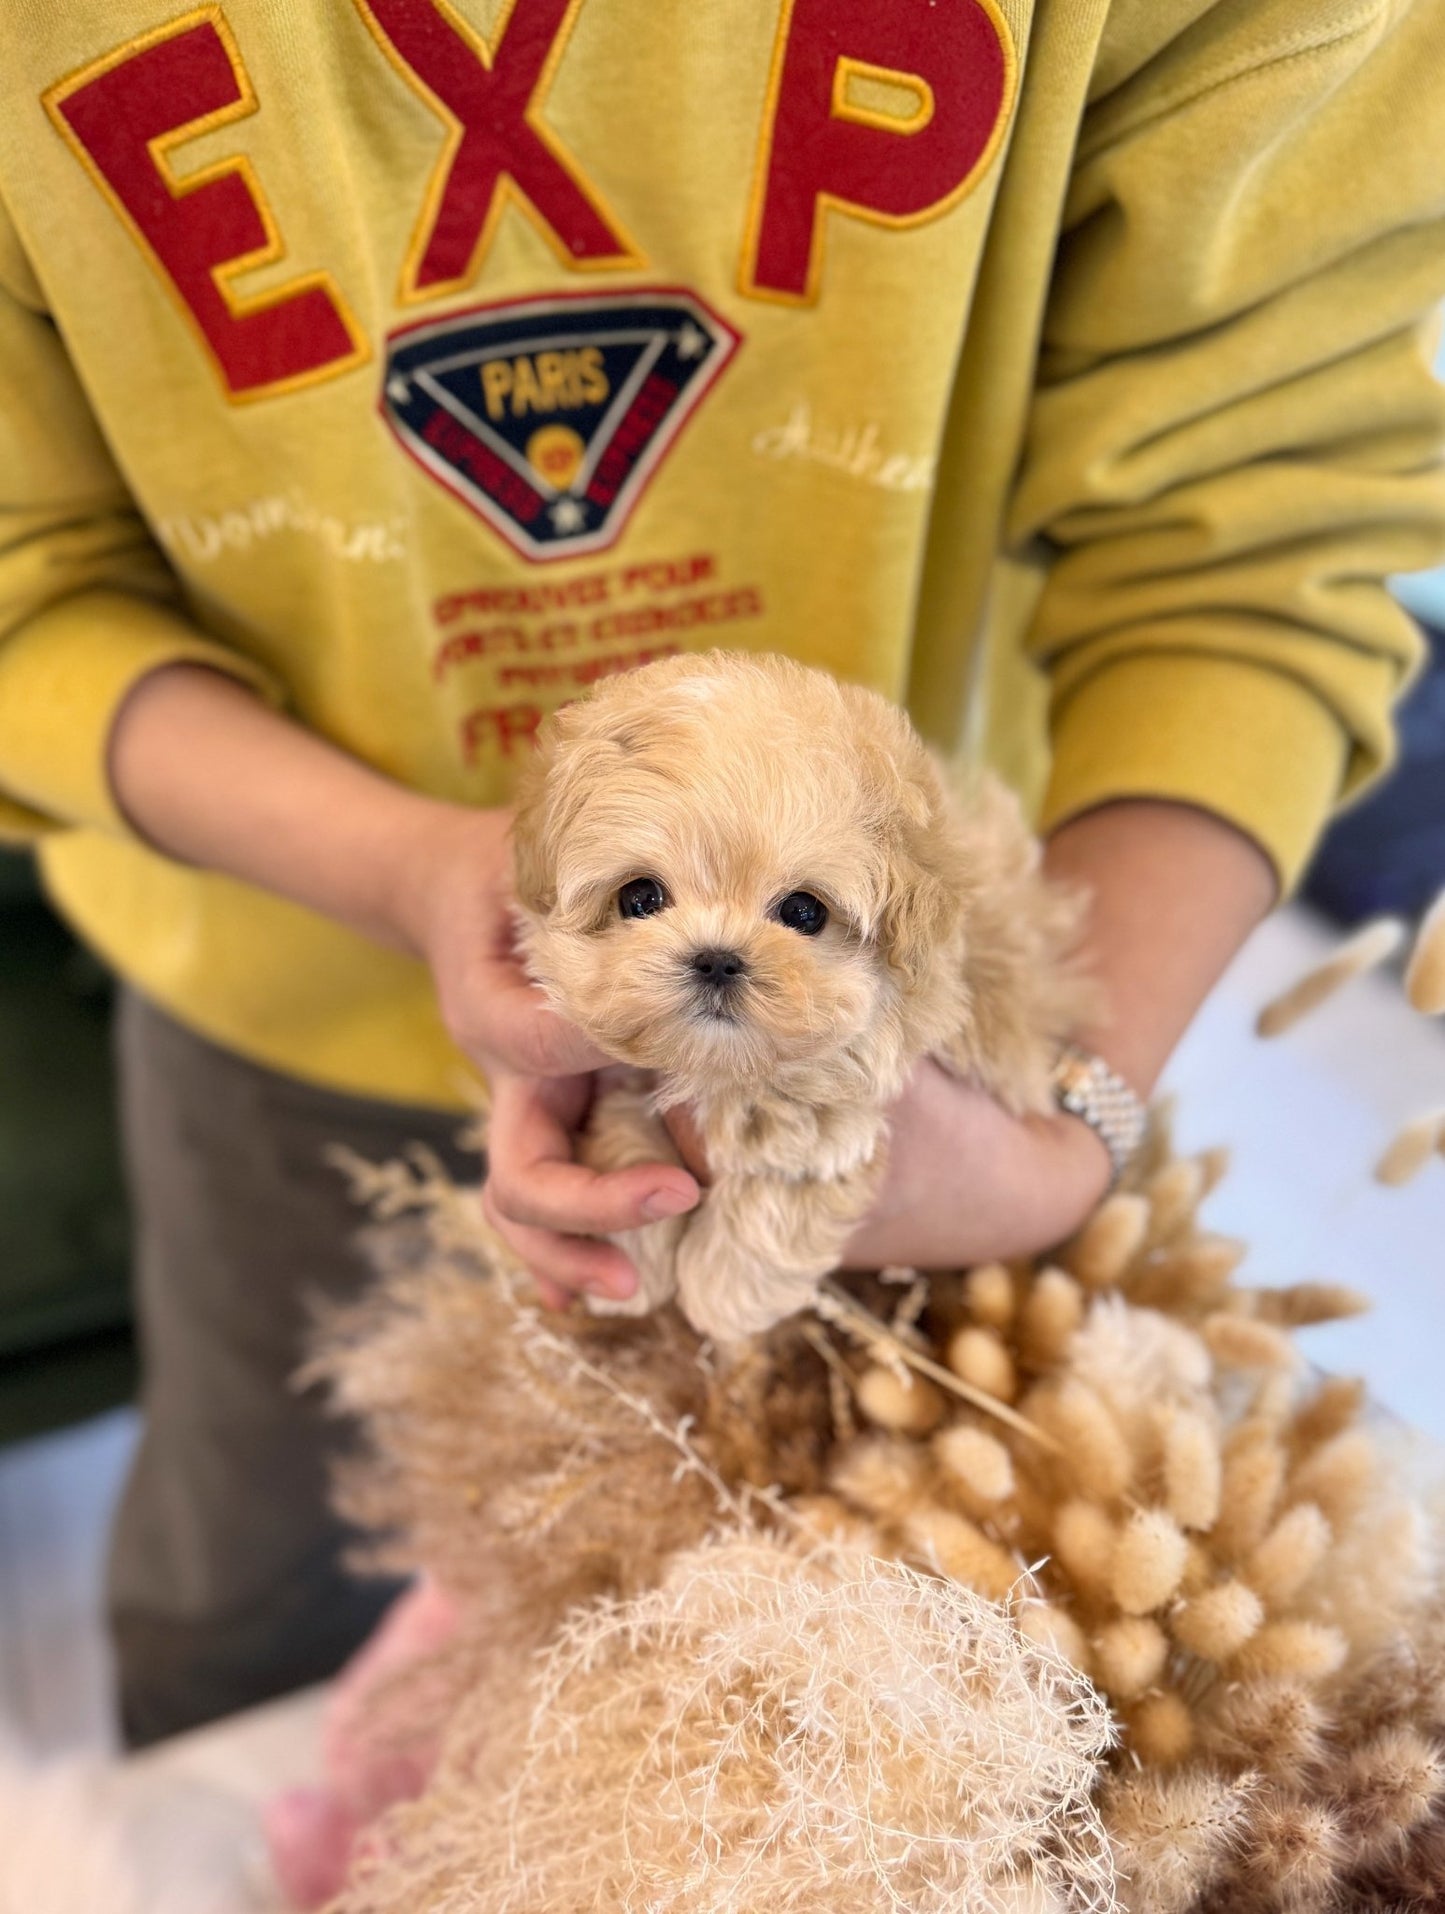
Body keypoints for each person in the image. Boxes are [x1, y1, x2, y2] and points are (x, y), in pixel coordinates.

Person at [1, 0, 1441, 1747]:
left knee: (783, 1640)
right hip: (268, 987)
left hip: (902, 1078)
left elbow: (1255, 532)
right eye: (643, 903)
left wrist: (1063, 1123)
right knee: (250, 1575)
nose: (701, 952)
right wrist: (392, 866)